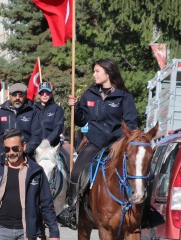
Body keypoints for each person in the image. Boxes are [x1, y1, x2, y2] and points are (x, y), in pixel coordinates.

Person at [57, 58, 139, 229]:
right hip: (94, 142)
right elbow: (81, 120)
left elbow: (131, 123)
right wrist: (75, 107)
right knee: (76, 172)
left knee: (139, 171)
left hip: (117, 144)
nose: (94, 75)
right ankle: (72, 210)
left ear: (108, 73)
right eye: (94, 71)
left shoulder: (124, 96)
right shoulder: (89, 94)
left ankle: (142, 211)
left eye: (97, 71)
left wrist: (125, 141)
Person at [0, 83, 41, 161]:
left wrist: (25, 151)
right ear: (10, 96)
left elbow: (37, 136)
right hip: (4, 158)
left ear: (25, 95)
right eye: (14, 95)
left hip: (26, 158)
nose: (17, 98)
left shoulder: (32, 111)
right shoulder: (1, 112)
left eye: (21, 95)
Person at [33, 81, 68, 162]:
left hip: (53, 146)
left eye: (47, 92)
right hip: (35, 147)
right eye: (42, 93)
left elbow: (59, 127)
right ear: (39, 94)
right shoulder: (33, 109)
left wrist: (48, 141)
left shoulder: (57, 109)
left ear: (51, 94)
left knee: (68, 161)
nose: (45, 95)